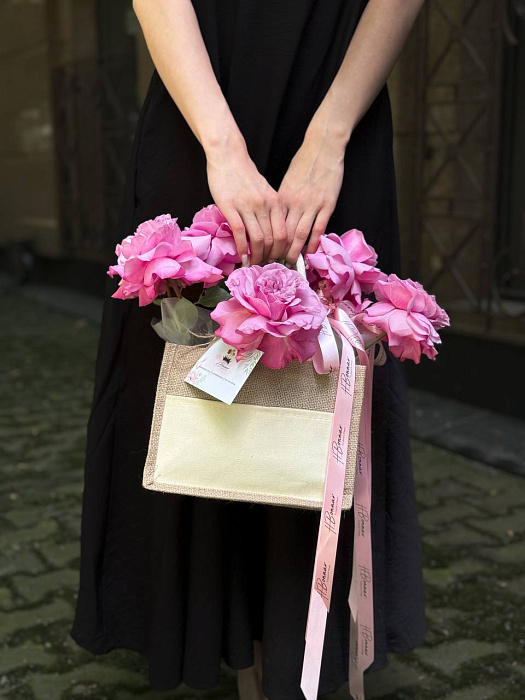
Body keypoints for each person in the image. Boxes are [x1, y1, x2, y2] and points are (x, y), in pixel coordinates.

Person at [70, 1, 427, 698]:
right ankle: (236, 652)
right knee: (198, 380)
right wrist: (221, 148)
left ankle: (301, 652)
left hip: (336, 94)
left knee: (325, 375)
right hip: (200, 91)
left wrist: (329, 139)